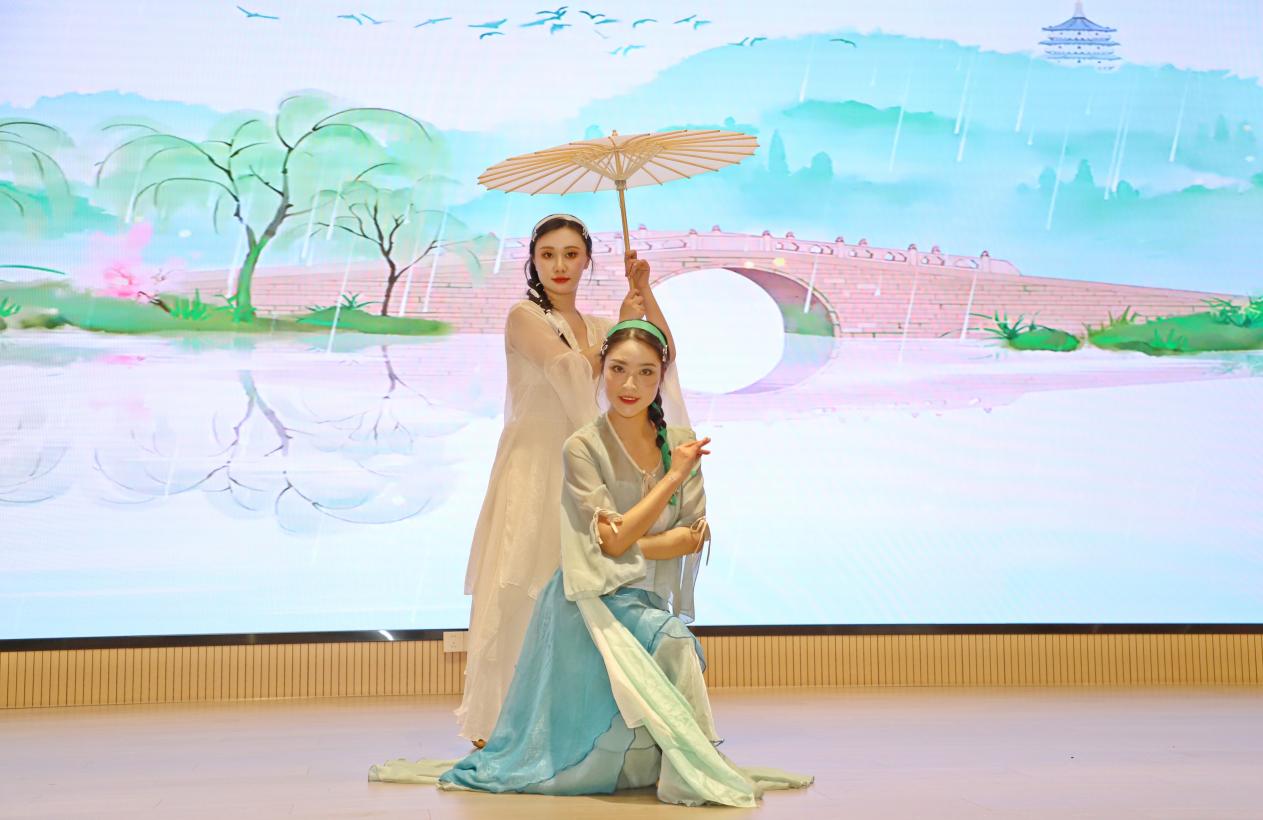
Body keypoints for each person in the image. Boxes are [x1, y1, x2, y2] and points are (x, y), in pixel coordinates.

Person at [371, 320, 811, 807]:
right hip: (588, 598)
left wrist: (626, 538)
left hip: (643, 599)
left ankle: (672, 765)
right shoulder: (584, 446)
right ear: (601, 370)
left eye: (645, 372)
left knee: (670, 643)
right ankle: (687, 772)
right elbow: (614, 539)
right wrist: (668, 485)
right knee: (674, 645)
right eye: (618, 369)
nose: (629, 385)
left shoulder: (681, 440)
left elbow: (689, 536)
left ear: (661, 375)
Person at [456, 214, 688, 745]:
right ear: (533, 262)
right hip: (533, 471)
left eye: (570, 254)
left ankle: (573, 721)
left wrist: (644, 294)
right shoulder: (524, 317)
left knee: (585, 590)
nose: (559, 265)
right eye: (547, 255)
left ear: (586, 261)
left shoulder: (599, 327)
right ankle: (506, 723)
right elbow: (567, 370)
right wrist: (613, 338)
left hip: (584, 470)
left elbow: (659, 353)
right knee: (525, 583)